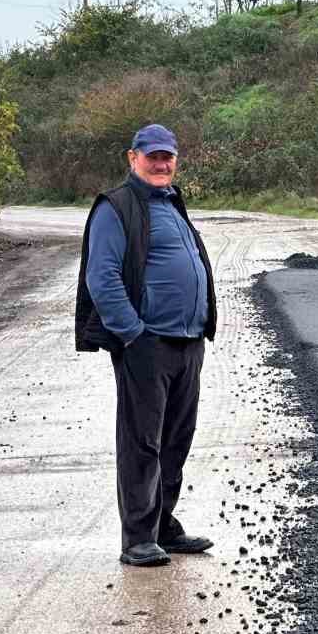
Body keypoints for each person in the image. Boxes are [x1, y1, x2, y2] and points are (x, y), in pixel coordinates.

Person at [75, 123, 218, 567]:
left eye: (167, 156)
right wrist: (133, 334)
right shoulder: (116, 207)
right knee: (142, 442)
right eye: (152, 156)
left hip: (187, 342)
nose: (161, 163)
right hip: (147, 343)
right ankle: (137, 537)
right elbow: (102, 277)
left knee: (177, 439)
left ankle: (161, 525)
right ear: (132, 158)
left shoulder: (173, 204)